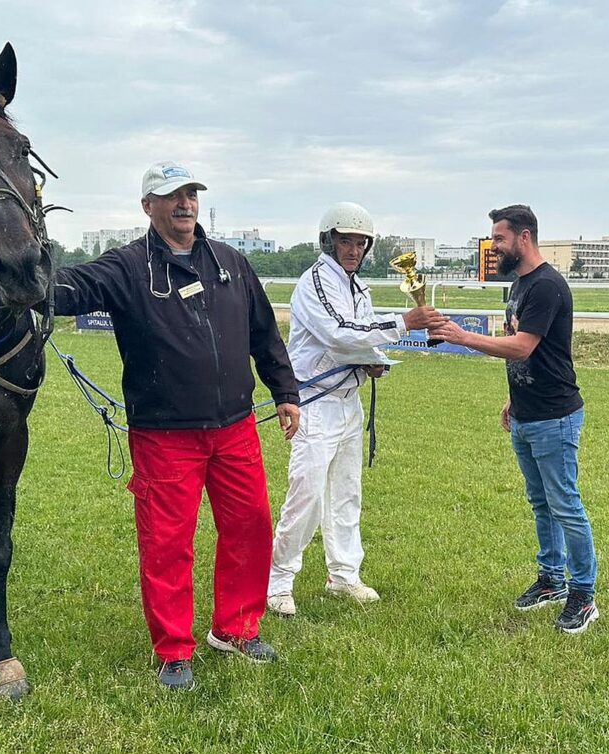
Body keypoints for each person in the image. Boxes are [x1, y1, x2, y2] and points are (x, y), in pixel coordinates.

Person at [54, 161, 301, 691]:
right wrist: (21, 264)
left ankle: (236, 629)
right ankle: (173, 651)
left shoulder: (231, 262)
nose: (185, 203)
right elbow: (67, 290)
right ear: (149, 206)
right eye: (172, 196)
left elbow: (264, 334)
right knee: (168, 542)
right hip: (164, 434)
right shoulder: (126, 267)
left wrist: (285, 392)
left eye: (190, 193)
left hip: (234, 427)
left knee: (251, 526)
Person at [266, 202, 447, 618]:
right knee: (307, 496)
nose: (353, 249)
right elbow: (336, 334)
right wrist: (403, 322)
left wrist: (374, 358)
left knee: (347, 494)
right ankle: (278, 579)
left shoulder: (357, 287)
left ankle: (344, 574)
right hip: (314, 403)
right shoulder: (314, 282)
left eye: (360, 242)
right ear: (329, 240)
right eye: (345, 240)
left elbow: (358, 337)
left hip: (348, 401)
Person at [432, 204, 599, 634]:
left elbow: (523, 346)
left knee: (565, 504)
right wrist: (513, 398)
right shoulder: (520, 285)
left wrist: (463, 336)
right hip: (527, 412)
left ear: (524, 237)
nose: (495, 246)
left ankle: (583, 594)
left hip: (555, 416)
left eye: (500, 238)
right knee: (541, 502)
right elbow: (524, 351)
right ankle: (551, 581)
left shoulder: (547, 285)